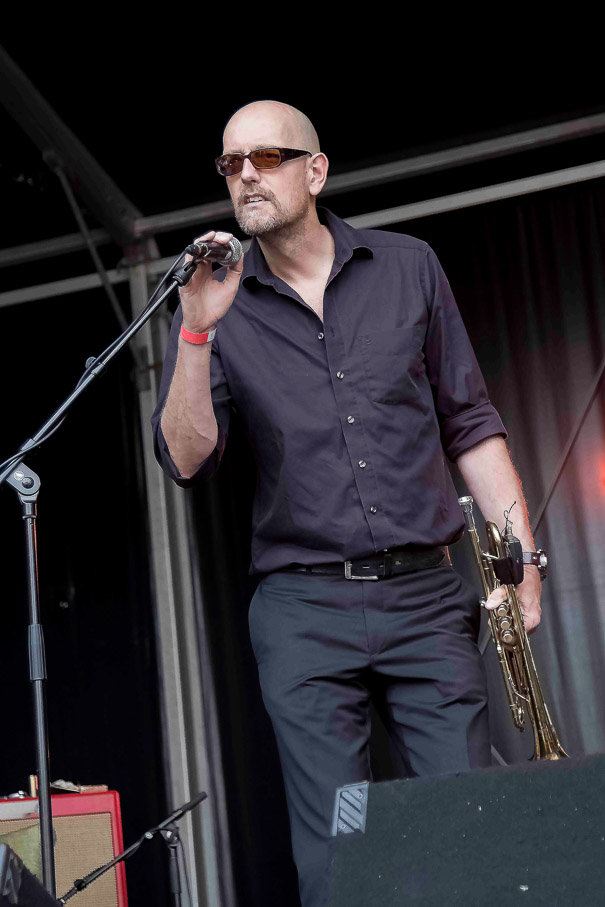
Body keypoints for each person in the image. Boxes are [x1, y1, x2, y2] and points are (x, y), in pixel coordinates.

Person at [151, 100, 542, 907]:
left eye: (266, 157)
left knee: (469, 823)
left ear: (316, 171)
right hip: (304, 608)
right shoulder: (216, 299)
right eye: (230, 164)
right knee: (339, 846)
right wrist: (194, 332)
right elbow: (186, 461)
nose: (246, 175)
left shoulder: (407, 266)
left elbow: (470, 423)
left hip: (425, 595)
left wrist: (522, 560)